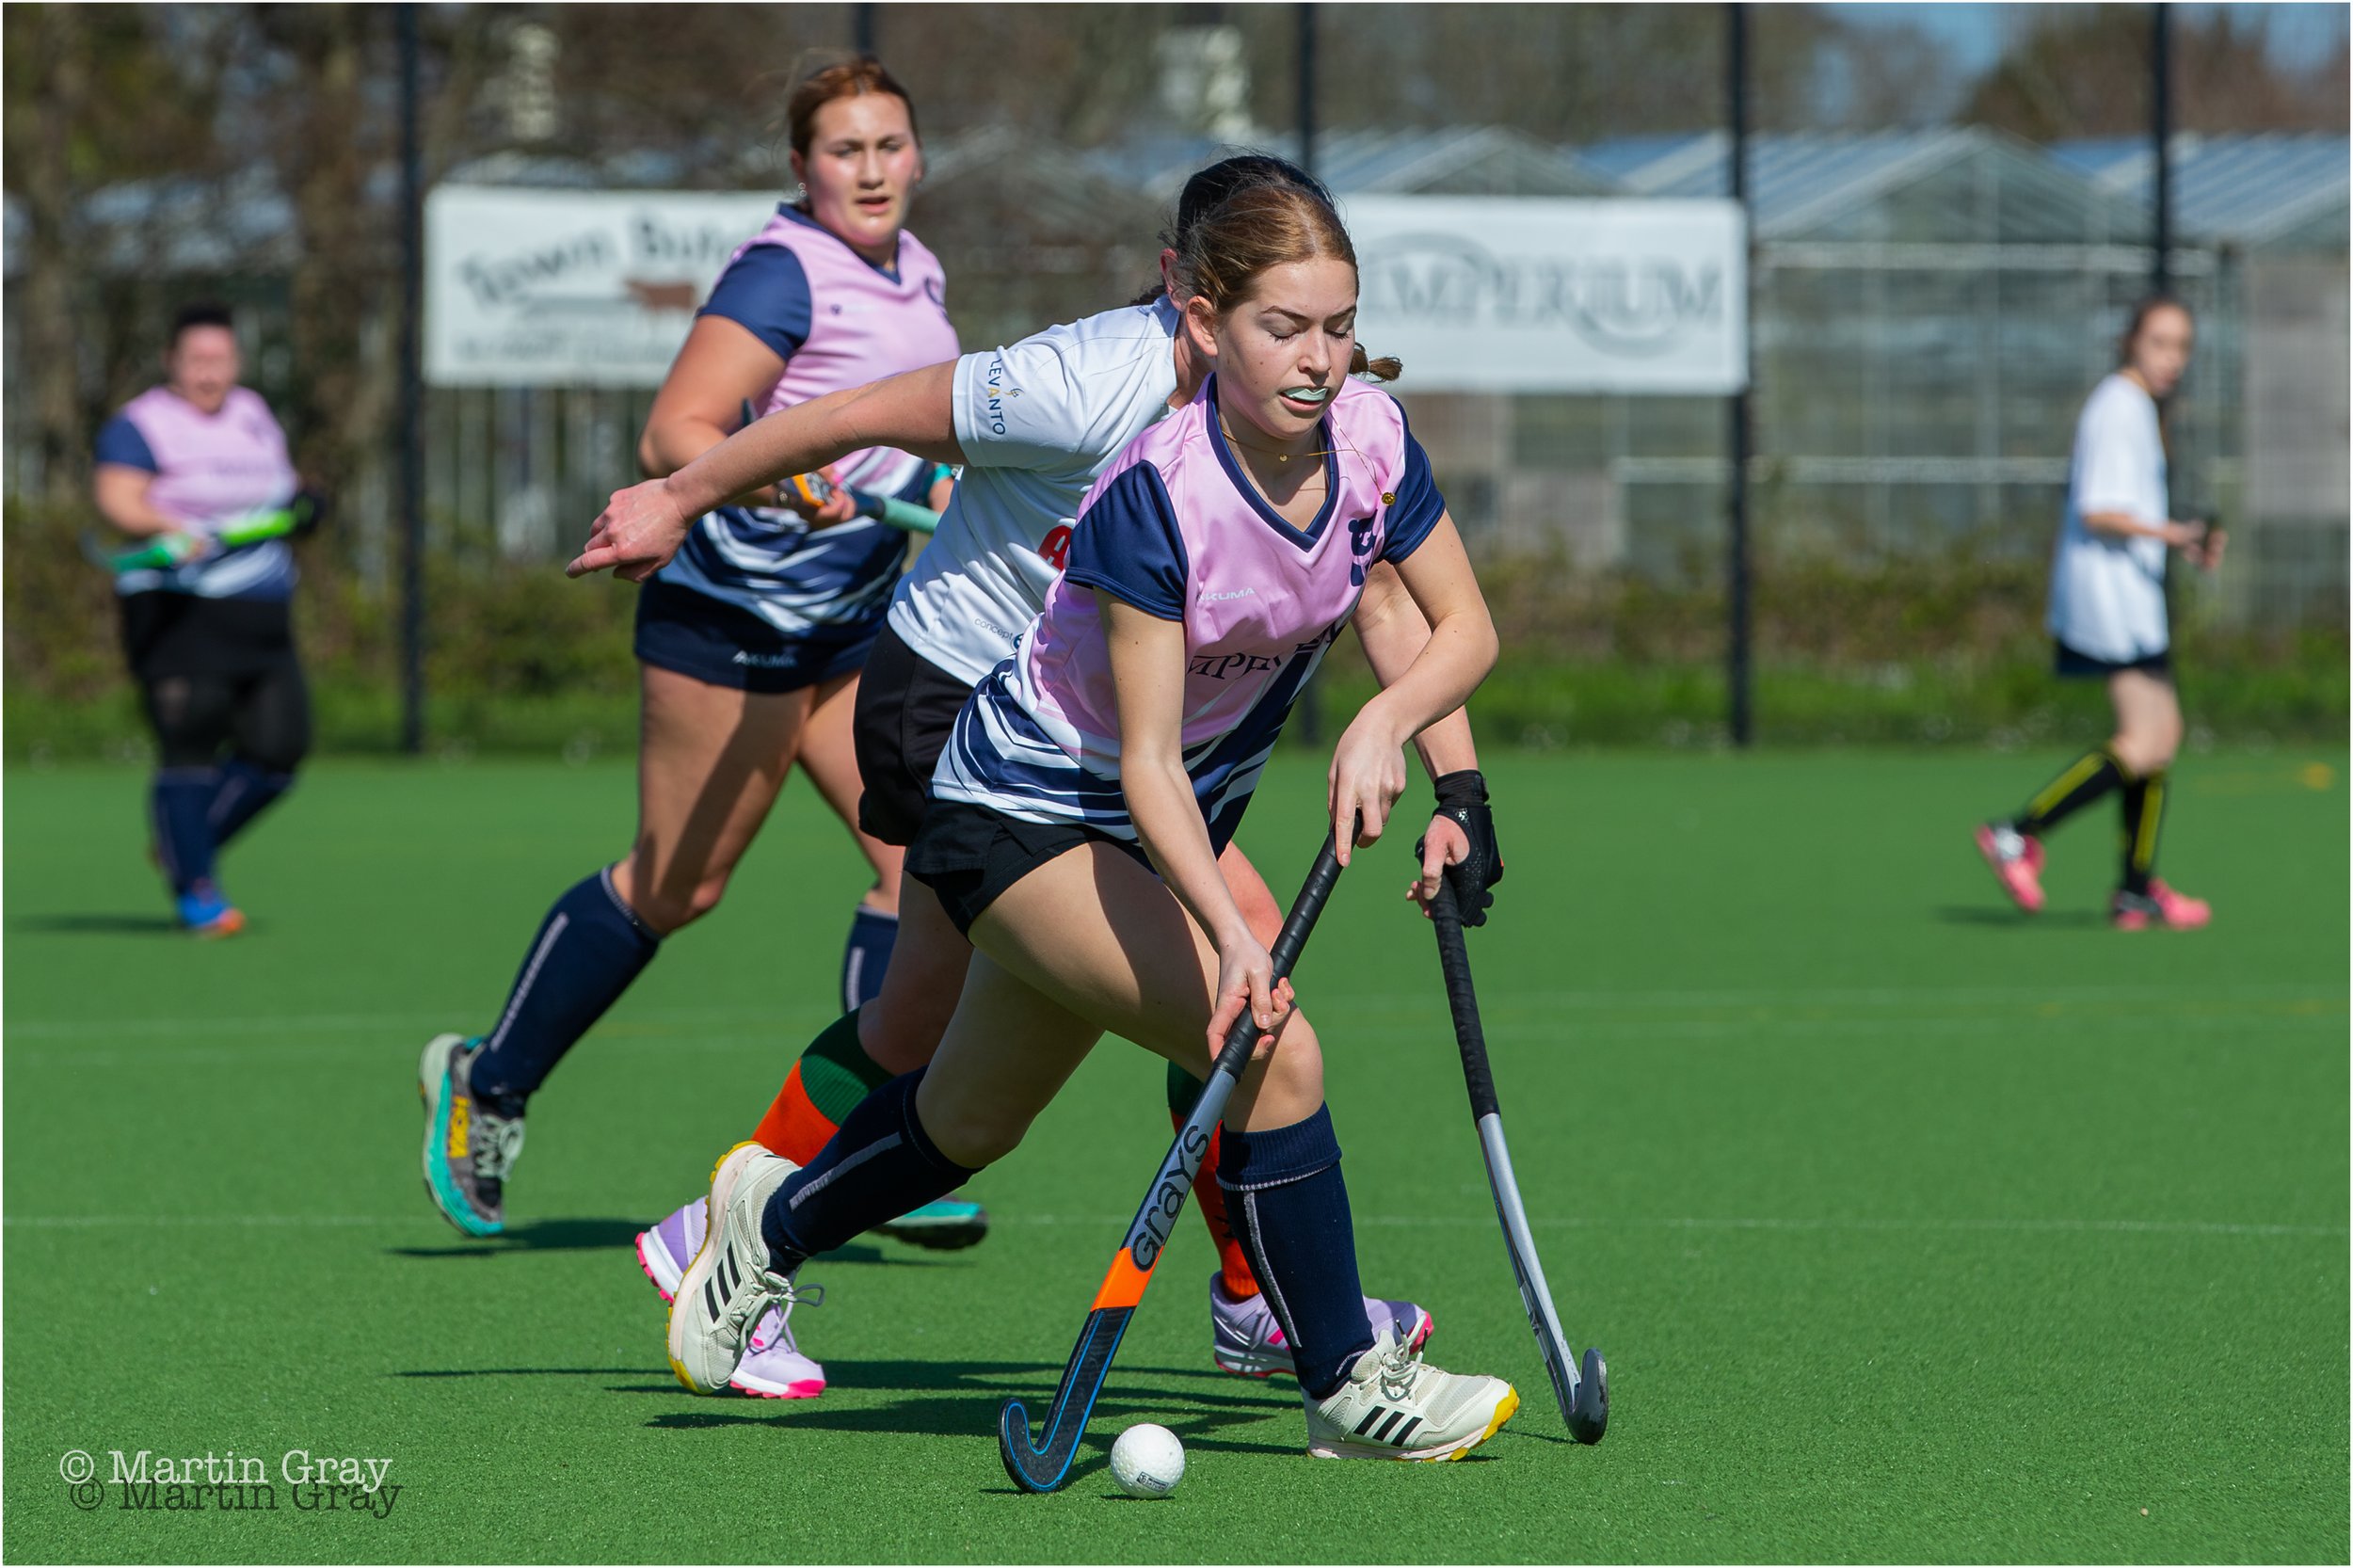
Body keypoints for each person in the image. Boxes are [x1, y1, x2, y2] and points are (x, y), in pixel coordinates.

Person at [581, 155, 1501, 1402]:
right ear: (1196, 302)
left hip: (1122, 746)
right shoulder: (1085, 389)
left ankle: (760, 1225)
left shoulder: (1329, 431)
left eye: (1335, 325)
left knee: (971, 1092)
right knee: (1212, 992)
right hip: (964, 709)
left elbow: (1391, 598)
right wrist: (683, 494)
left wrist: (1457, 788)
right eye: (1281, 321)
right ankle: (1293, 1323)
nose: (1315, 356)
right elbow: (856, 414)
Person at [419, 57, 968, 1260]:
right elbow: (676, 428)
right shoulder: (784, 271)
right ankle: (488, 1078)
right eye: (844, 150)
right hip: (732, 624)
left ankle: (878, 1140)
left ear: (919, 156)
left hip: (854, 623)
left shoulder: (917, 269)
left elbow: (913, 436)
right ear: (802, 167)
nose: (871, 170)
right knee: (678, 888)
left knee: (921, 869)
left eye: (889, 145)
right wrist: (778, 476)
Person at [1976, 296, 2220, 930]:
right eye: (2159, 342)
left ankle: (2134, 891)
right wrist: (2176, 534)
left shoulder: (2139, 407)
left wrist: (2180, 541)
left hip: (2133, 597)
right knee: (2145, 739)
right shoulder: (2118, 406)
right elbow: (2099, 509)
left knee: (2162, 736)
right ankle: (2018, 833)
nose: (2172, 358)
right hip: (2109, 601)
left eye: (2182, 346)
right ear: (2130, 341)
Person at [94, 302, 318, 936]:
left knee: (280, 750)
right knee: (190, 745)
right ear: (171, 361)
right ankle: (198, 891)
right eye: (196, 359)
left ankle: (184, 844)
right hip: (177, 609)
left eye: (220, 359)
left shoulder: (252, 413)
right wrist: (167, 526)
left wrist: (306, 505)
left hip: (261, 607)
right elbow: (117, 499)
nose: (209, 372)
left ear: (237, 361)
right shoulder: (142, 424)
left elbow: (280, 489)